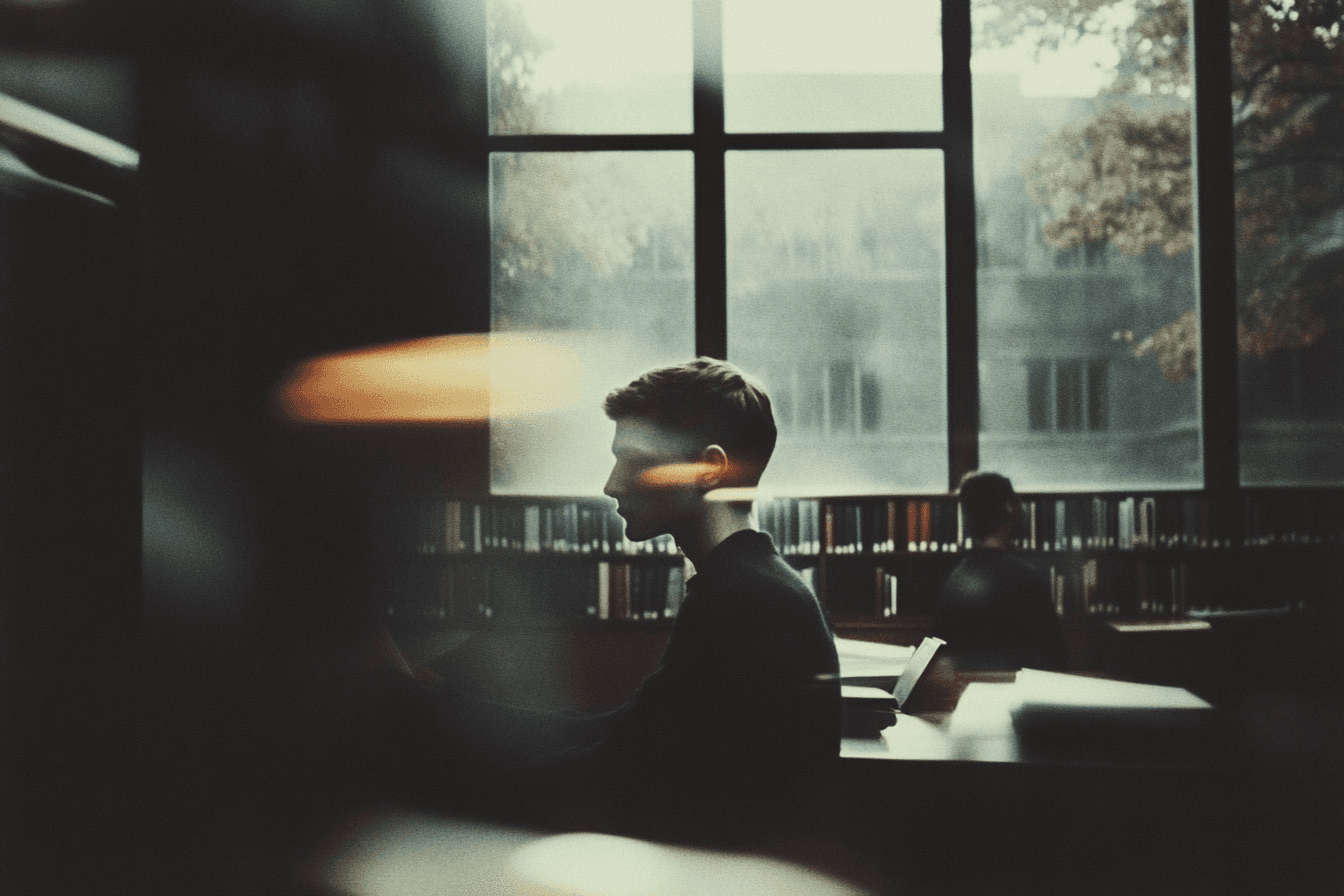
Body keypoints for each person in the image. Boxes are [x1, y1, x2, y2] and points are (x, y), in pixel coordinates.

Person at [931, 472, 1070, 673]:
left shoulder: (956, 578)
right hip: (1018, 692)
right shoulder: (1026, 577)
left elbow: (941, 650)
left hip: (968, 693)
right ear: (1010, 507)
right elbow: (1056, 657)